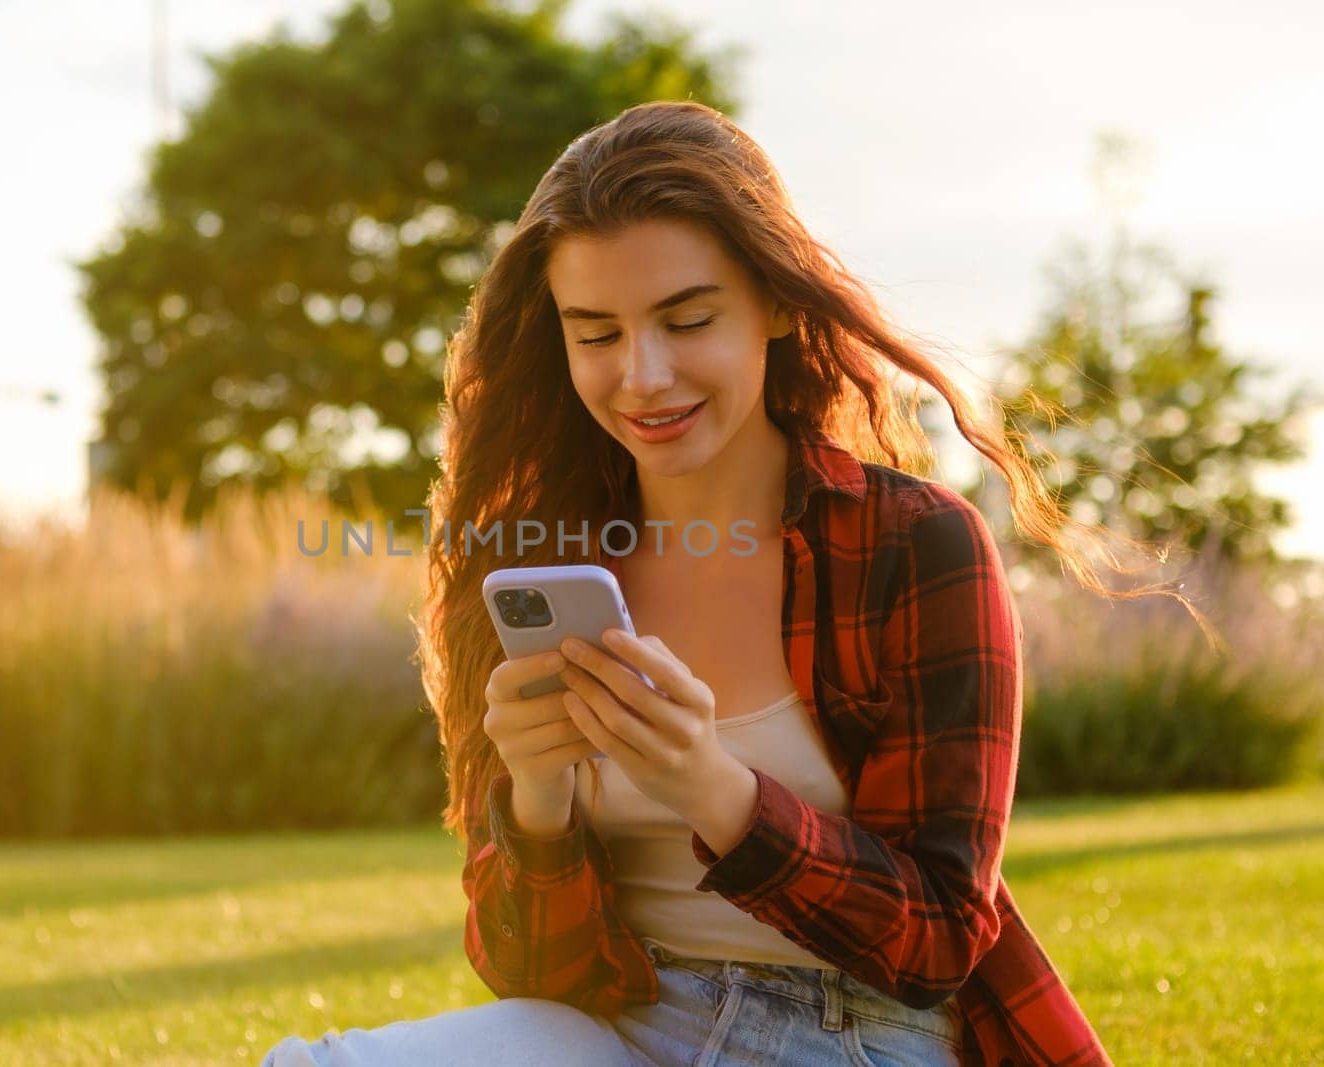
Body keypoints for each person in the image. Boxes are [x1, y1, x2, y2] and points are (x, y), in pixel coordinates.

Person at [262, 98, 1180, 1067]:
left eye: (686, 318)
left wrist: (713, 788)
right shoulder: (540, 558)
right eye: (595, 332)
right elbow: (535, 976)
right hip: (622, 1023)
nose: (642, 375)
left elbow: (940, 937)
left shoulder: (914, 545)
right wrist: (537, 801)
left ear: (778, 304)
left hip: (857, 1035)